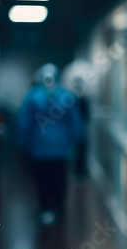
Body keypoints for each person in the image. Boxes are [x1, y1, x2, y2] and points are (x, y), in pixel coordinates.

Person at [17, 63, 82, 224]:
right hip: (59, 148)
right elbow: (75, 123)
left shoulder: (33, 96)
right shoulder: (65, 96)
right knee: (58, 179)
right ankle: (58, 208)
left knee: (42, 179)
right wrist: (77, 141)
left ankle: (45, 207)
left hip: (40, 147)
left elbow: (25, 122)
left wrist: (22, 143)